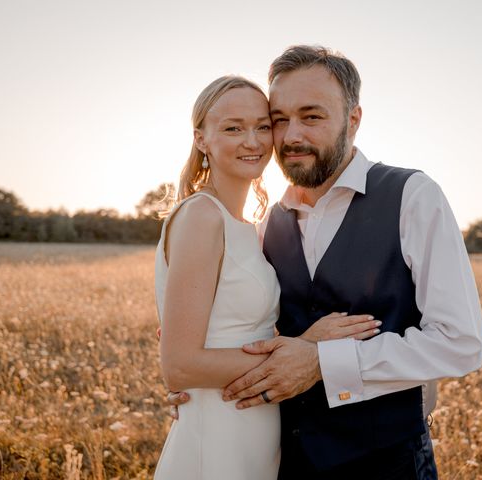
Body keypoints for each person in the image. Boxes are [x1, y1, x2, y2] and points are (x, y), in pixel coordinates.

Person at [170, 45, 482, 480]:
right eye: (279, 119)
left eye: (312, 116)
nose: (291, 136)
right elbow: (246, 331)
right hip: (286, 461)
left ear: (353, 120)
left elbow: (460, 342)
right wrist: (197, 387)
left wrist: (322, 360)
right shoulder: (267, 225)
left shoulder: (412, 196)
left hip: (387, 465)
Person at [153, 75, 380, 480]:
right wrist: (305, 346)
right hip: (220, 430)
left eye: (263, 125)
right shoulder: (202, 216)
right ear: (201, 139)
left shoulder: (247, 224)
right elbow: (180, 367)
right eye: (233, 127)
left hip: (254, 427)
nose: (253, 141)